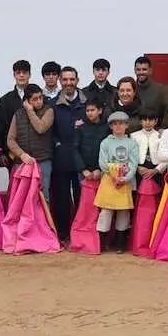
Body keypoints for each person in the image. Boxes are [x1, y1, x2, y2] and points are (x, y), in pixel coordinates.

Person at [97, 111, 139, 252]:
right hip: (109, 181)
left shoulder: (131, 143)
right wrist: (113, 175)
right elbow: (102, 163)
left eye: (121, 123)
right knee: (106, 212)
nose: (118, 126)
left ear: (127, 125)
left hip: (125, 182)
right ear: (111, 126)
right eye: (115, 124)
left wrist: (125, 178)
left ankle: (120, 243)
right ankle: (102, 242)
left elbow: (134, 163)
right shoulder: (105, 142)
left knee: (123, 212)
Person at [71, 98, 111, 244]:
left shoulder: (107, 128)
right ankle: (86, 236)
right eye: (87, 110)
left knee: (104, 206)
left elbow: (109, 150)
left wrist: (101, 170)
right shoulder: (80, 128)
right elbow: (75, 149)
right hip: (85, 174)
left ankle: (103, 238)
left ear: (100, 111)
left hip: (103, 173)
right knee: (85, 206)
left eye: (92, 110)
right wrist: (83, 170)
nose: (89, 113)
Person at [7, 84, 56, 201]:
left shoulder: (48, 111)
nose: (39, 101)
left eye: (40, 97)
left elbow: (40, 128)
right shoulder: (18, 114)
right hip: (23, 162)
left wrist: (30, 111)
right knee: (22, 198)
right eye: (34, 99)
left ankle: (44, 220)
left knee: (43, 197)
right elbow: (10, 139)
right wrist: (22, 155)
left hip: (42, 160)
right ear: (27, 101)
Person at [51, 67, 87, 230]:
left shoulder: (87, 103)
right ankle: (64, 232)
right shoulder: (52, 105)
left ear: (77, 80)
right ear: (60, 81)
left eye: (71, 79)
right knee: (62, 199)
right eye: (65, 80)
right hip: (62, 159)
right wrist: (57, 145)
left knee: (83, 197)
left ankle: (81, 231)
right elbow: (49, 131)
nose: (68, 83)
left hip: (83, 160)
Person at [0, 60, 32, 155]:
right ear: (14, 75)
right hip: (12, 152)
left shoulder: (39, 97)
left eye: (24, 73)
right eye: (18, 73)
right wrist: (2, 152)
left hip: (36, 152)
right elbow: (2, 126)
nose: (21, 75)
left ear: (29, 75)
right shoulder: (5, 100)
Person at [132, 108, 163, 185]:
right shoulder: (133, 136)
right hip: (139, 170)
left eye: (151, 120)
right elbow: (130, 156)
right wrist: (137, 168)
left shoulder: (161, 136)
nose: (147, 122)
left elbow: (165, 156)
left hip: (156, 170)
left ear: (156, 121)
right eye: (144, 120)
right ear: (140, 121)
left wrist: (157, 170)